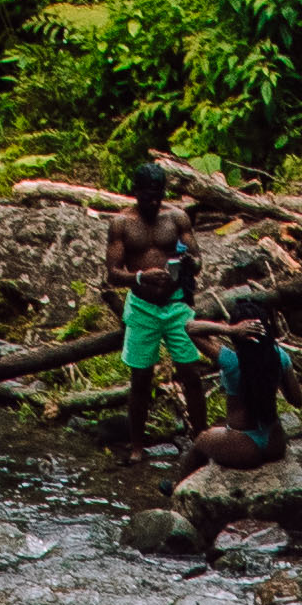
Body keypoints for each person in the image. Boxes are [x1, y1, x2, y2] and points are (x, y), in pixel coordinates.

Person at [106, 178, 204, 451]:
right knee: (140, 379)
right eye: (148, 196)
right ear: (136, 192)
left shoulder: (177, 218)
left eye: (158, 196)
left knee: (191, 374)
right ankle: (137, 446)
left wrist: (187, 264)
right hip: (142, 307)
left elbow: (197, 261)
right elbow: (113, 274)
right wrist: (140, 276)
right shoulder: (121, 224)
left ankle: (202, 440)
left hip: (176, 305)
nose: (153, 202)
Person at [180, 273, 302, 470]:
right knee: (219, 428)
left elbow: (190, 327)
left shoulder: (231, 361)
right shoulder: (279, 356)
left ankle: (175, 488)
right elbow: (297, 401)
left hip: (245, 446)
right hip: (275, 441)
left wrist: (230, 330)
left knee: (201, 440)